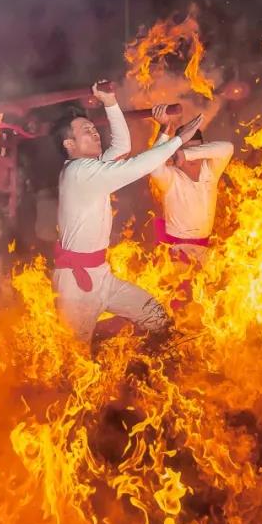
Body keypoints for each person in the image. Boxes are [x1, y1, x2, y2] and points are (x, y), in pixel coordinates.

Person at [53, 82, 203, 344]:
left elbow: (122, 146)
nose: (95, 133)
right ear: (69, 143)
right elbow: (137, 166)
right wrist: (179, 139)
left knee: (156, 317)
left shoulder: (93, 167)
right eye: (86, 131)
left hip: (101, 275)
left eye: (93, 128)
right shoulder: (78, 173)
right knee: (74, 363)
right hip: (76, 287)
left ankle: (159, 371)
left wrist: (112, 103)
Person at [149, 105, 234, 265]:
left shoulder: (211, 172)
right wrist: (164, 129)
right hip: (176, 256)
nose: (193, 158)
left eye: (198, 149)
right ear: (175, 151)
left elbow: (228, 148)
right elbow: (153, 166)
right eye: (185, 149)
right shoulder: (171, 177)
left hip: (206, 253)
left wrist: (187, 153)